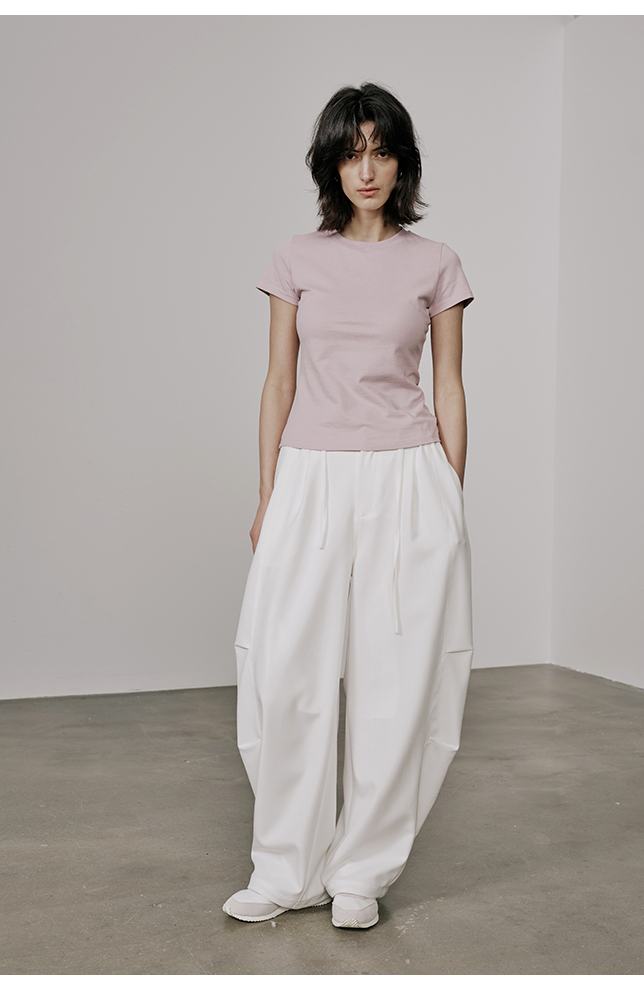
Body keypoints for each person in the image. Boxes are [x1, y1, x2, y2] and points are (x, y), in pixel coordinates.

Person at [223, 82, 474, 931]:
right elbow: (278, 382)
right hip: (311, 474)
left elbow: (448, 385)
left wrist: (451, 495)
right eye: (351, 152)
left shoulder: (436, 263)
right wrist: (269, 496)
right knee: (286, 670)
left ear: (404, 163)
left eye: (382, 151)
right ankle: (285, 868)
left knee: (395, 679)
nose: (367, 169)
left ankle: (362, 872)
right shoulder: (296, 258)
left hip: (408, 476)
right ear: (330, 164)